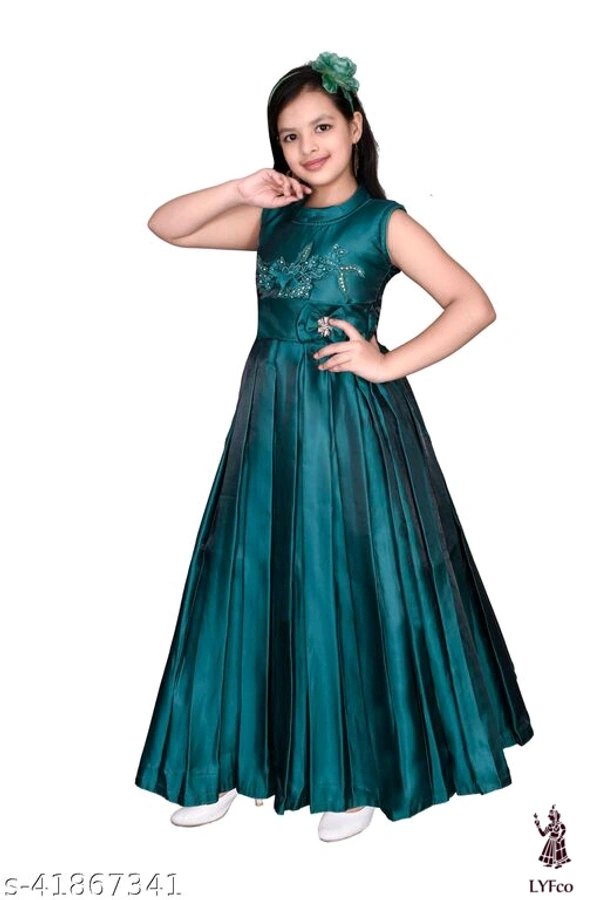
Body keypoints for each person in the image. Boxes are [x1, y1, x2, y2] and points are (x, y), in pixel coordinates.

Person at [134, 51, 534, 843]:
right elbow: (164, 226)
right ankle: (225, 763)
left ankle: (352, 774)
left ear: (355, 127)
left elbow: (472, 303)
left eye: (322, 127)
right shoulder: (273, 219)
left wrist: (386, 362)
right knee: (245, 577)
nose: (308, 146)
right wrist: (242, 189)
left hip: (350, 424)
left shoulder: (384, 222)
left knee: (344, 578)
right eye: (290, 136)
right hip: (268, 421)